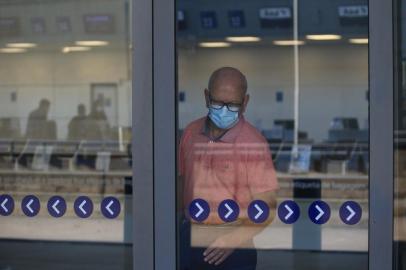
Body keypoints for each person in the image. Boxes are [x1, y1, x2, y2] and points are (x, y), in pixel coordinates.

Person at [179, 67, 279, 270]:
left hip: (234, 246)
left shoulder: (253, 144)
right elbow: (181, 182)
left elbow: (267, 206)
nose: (224, 110)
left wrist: (232, 240)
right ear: (206, 97)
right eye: (217, 102)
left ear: (245, 103)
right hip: (188, 238)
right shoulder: (190, 133)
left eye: (233, 105)